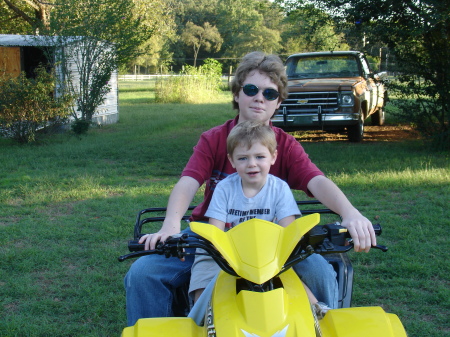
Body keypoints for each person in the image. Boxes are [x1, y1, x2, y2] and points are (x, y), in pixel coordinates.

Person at [124, 51, 376, 327]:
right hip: (216, 237)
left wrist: (350, 213)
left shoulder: (285, 145)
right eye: (252, 89)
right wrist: (171, 225)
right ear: (237, 94)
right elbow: (189, 180)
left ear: (278, 102)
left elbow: (316, 180)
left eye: (270, 93)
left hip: (275, 241)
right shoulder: (214, 139)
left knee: (320, 272)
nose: (260, 98)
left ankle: (322, 327)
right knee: (143, 273)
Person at [189, 120, 326, 314]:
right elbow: (216, 232)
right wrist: (223, 253)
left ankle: (317, 309)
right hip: (228, 249)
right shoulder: (224, 188)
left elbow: (288, 231)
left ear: (273, 157)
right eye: (243, 158)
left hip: (268, 249)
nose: (252, 164)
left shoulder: (279, 188)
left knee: (290, 275)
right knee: (205, 270)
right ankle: (201, 316)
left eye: (259, 156)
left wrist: (280, 253)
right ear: (232, 160)